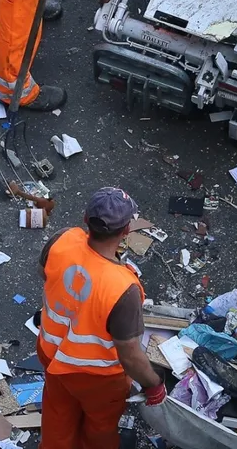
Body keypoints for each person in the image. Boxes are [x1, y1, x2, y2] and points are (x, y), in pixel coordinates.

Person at [36, 187, 165, 448]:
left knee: (58, 417)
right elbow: (130, 357)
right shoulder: (123, 289)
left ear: (86, 219)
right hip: (96, 377)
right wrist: (154, 386)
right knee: (100, 427)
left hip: (51, 353)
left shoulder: (62, 240)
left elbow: (44, 272)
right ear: (126, 230)